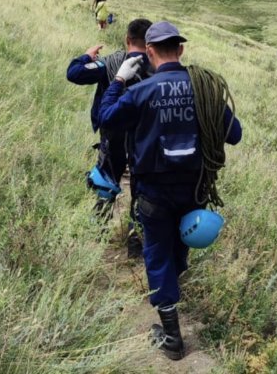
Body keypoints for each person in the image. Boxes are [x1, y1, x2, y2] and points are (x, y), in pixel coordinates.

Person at [98, 21, 242, 360]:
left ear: (148, 53)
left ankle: (173, 336)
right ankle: (171, 290)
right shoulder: (204, 89)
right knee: (177, 252)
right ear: (180, 50)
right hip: (195, 192)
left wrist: (119, 78)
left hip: (153, 192)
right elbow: (234, 135)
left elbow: (107, 117)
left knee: (158, 254)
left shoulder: (140, 91)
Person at [66, 18, 153, 256]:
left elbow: (74, 74)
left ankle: (97, 235)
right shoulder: (157, 66)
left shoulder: (111, 62)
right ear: (150, 43)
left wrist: (86, 56)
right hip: (143, 141)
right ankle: (136, 243)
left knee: (105, 183)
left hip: (112, 136)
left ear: (127, 39)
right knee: (142, 190)